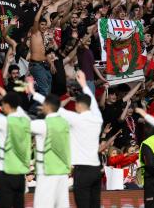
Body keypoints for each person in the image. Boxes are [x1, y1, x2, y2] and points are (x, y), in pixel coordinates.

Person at [30, 71, 103, 208]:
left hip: (83, 171)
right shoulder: (97, 119)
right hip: (96, 170)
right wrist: (84, 85)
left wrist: (34, 93)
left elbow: (55, 108)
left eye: (76, 105)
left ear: (79, 105)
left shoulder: (77, 120)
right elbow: (92, 102)